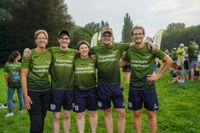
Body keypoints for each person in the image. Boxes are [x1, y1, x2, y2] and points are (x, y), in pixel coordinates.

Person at [120, 25, 172, 133]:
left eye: (140, 34)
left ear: (143, 35)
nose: (138, 36)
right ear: (132, 37)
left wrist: (159, 74)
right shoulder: (130, 51)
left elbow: (169, 60)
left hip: (148, 87)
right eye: (135, 34)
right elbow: (120, 64)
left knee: (150, 113)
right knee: (136, 113)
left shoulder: (151, 48)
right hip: (134, 87)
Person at [23, 30, 77, 133]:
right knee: (53, 117)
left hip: (68, 89)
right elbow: (39, 50)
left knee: (66, 115)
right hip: (54, 89)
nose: (64, 40)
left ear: (69, 40)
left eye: (66, 38)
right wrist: (26, 49)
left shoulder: (74, 52)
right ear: (58, 40)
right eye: (62, 38)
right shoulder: (51, 50)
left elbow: (85, 52)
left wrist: (92, 55)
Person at [90, 27, 129, 133]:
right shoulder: (95, 49)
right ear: (101, 38)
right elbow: (82, 51)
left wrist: (150, 44)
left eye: (109, 36)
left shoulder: (119, 47)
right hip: (103, 86)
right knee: (107, 112)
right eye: (104, 36)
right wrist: (91, 58)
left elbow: (134, 44)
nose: (106, 38)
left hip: (116, 85)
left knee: (121, 112)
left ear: (112, 37)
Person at [21, 30, 52, 133]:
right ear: (35, 41)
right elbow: (23, 75)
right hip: (33, 92)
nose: (42, 40)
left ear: (47, 40)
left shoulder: (50, 53)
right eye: (39, 38)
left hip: (46, 91)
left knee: (41, 120)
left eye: (44, 38)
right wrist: (25, 96)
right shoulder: (29, 54)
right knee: (36, 121)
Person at [73, 41, 98, 133]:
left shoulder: (93, 59)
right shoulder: (75, 60)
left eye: (85, 47)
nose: (84, 49)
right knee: (80, 114)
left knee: (93, 113)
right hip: (78, 91)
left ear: (88, 49)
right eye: (81, 48)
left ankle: (93, 131)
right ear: (78, 51)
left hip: (92, 90)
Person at [4, 51, 23, 117]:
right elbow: (21, 75)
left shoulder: (7, 64)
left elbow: (5, 75)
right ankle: (21, 110)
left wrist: (7, 82)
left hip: (11, 84)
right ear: (17, 56)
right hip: (19, 83)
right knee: (20, 97)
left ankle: (10, 113)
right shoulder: (20, 64)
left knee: (9, 98)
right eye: (20, 55)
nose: (20, 56)